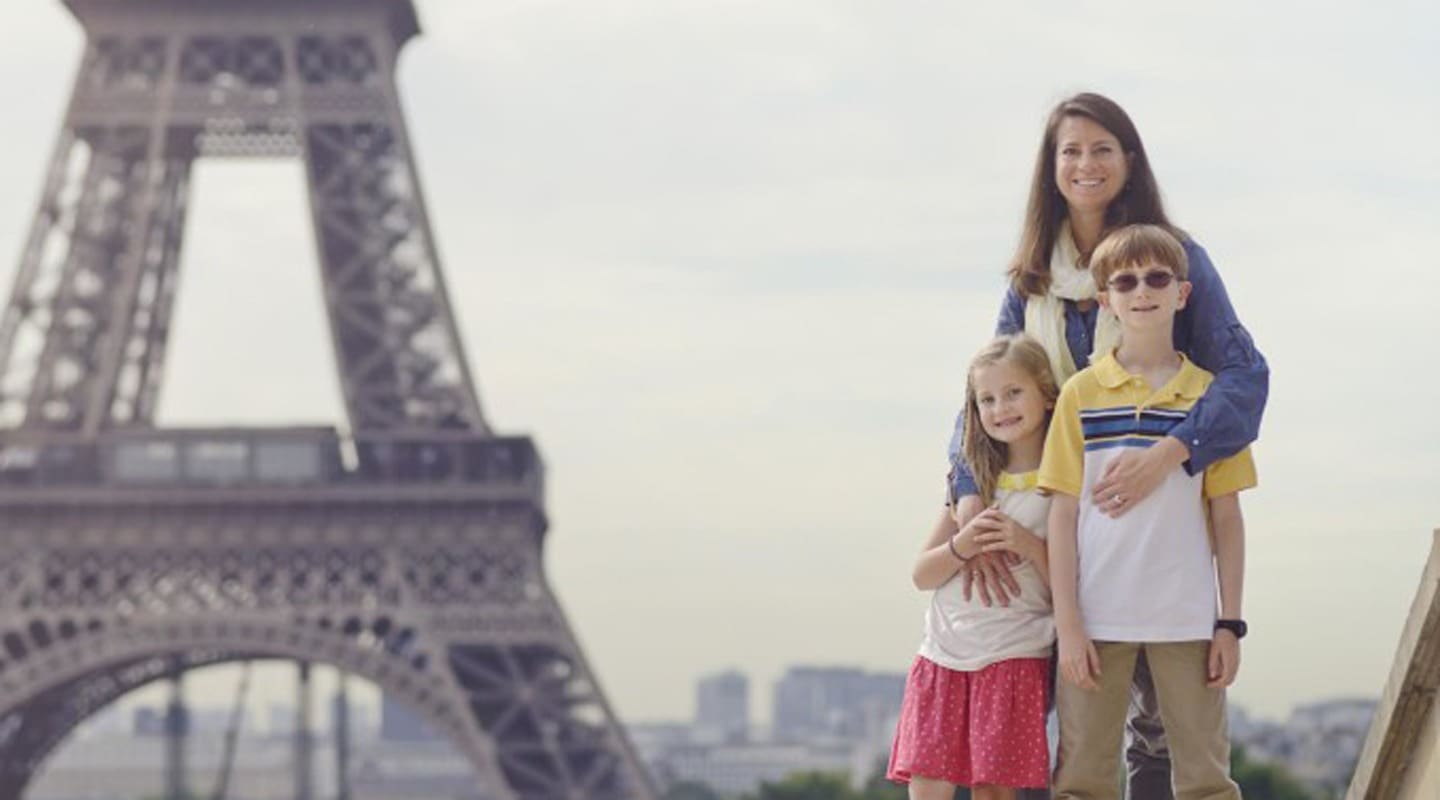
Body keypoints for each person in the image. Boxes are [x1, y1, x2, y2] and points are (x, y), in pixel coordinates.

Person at [944, 92, 1268, 796]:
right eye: (1071, 151)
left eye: (1102, 148)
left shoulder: (1174, 260)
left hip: (1154, 519)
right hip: (1047, 508)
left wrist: (1170, 453)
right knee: (1044, 700)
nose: (1086, 164)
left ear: (1129, 160)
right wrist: (968, 494)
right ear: (1050, 167)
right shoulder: (1030, 278)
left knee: (1163, 726)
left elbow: (1243, 378)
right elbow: (985, 385)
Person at [1040, 224, 1254, 799]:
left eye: (1157, 277)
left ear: (1182, 292)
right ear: (1105, 298)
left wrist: (1229, 623)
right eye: (1125, 281)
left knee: (1206, 780)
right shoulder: (1080, 395)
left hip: (1187, 622)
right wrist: (1068, 624)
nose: (1142, 290)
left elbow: (1228, 519)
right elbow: (1062, 515)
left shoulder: (1211, 397)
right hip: (1097, 620)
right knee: (1082, 781)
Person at [889, 334, 1060, 800]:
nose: (1000, 408)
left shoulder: (1059, 488)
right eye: (987, 399)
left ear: (1046, 395)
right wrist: (961, 546)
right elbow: (922, 574)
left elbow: (1070, 587)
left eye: (1013, 393)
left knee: (994, 793)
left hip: (1013, 658)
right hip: (941, 655)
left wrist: (1028, 545)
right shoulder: (973, 487)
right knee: (927, 790)